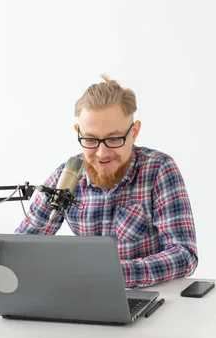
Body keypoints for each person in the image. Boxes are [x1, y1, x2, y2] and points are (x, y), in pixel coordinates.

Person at [15, 75, 198, 288]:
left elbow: (185, 255)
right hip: (86, 296)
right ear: (78, 133)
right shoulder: (66, 178)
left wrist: (110, 273)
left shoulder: (159, 170)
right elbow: (22, 248)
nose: (102, 153)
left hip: (149, 300)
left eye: (114, 139)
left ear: (134, 132)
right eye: (91, 140)